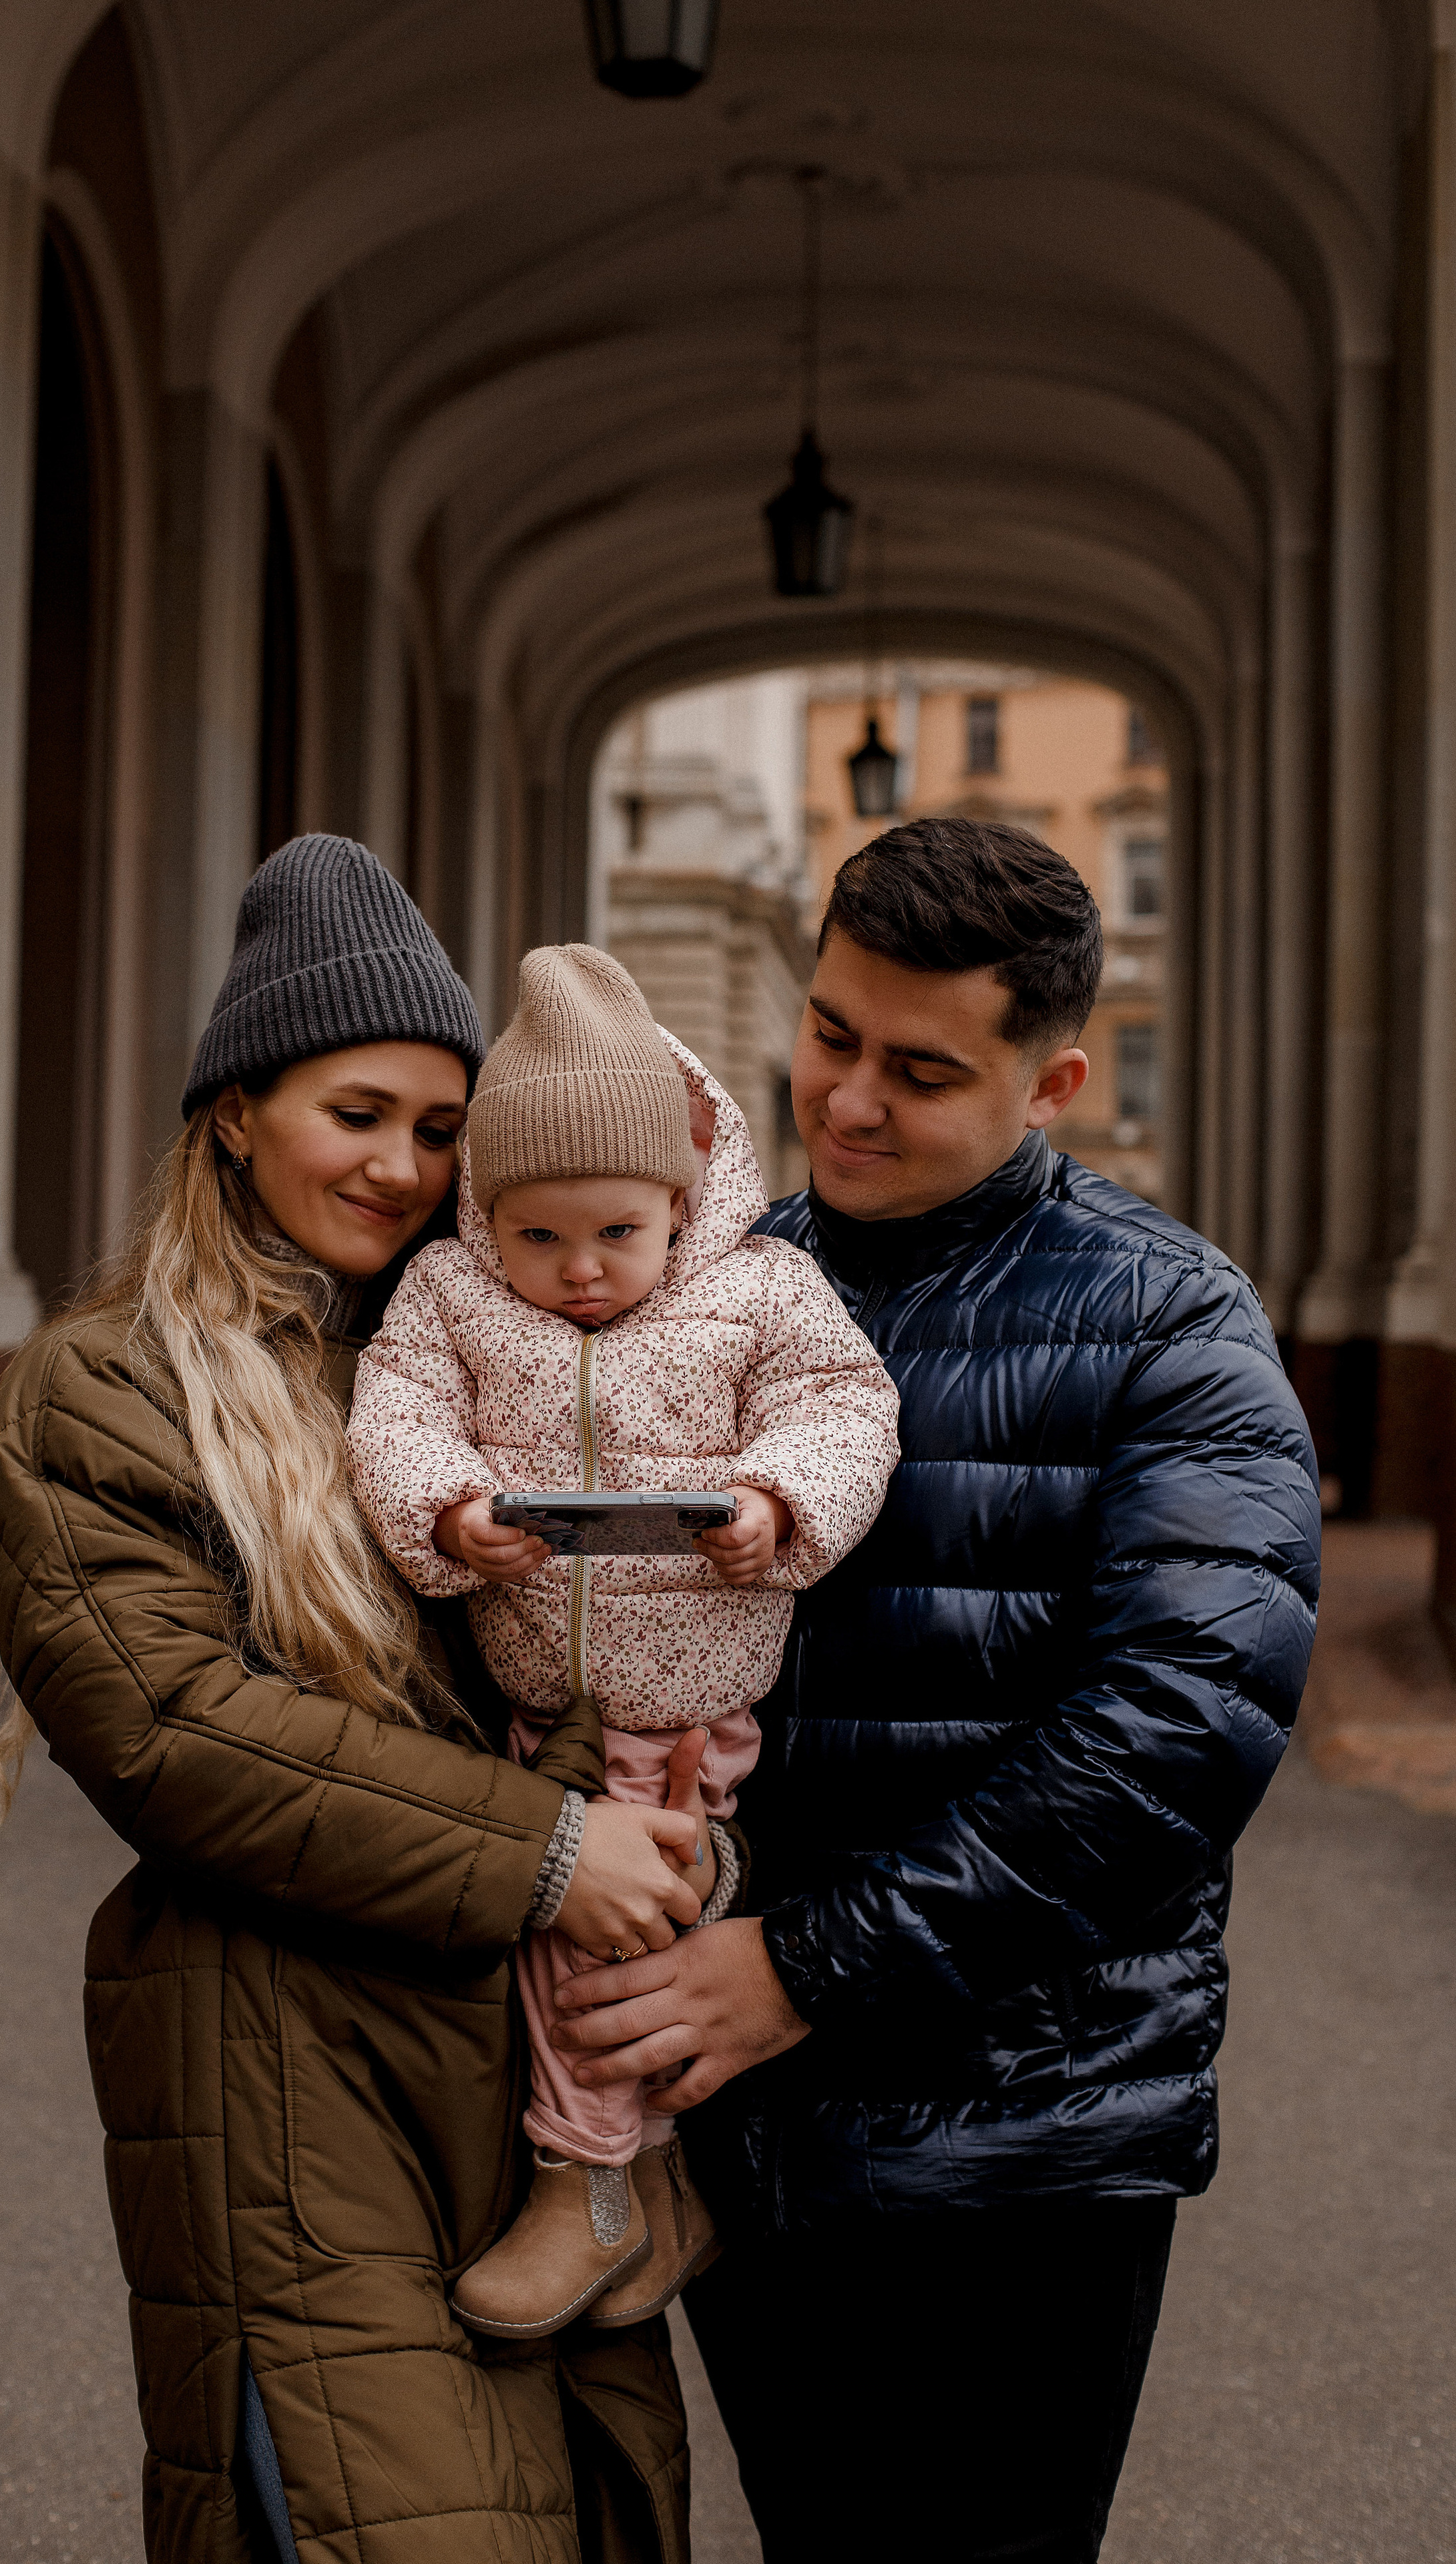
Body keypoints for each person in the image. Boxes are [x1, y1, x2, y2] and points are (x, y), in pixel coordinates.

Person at [549, 817, 1322, 2563]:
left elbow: (1177, 1739)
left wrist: (805, 1971)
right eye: (831, 1036)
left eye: (922, 1069)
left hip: (1028, 2143)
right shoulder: (702, 1292)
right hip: (743, 2129)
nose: (851, 1100)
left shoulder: (1169, 1324)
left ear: (1050, 1081)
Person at [0, 838, 708, 2564]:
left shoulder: (470, 1370)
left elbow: (597, 1657)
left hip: (518, 2080)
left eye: (440, 1132)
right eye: (355, 1112)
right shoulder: (102, 1392)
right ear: (234, 1110)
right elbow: (176, 1733)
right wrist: (548, 1851)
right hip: (287, 2083)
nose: (398, 1167)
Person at [346, 943, 898, 2342]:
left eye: (616, 1235)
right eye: (537, 1237)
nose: (578, 1273)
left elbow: (845, 1407)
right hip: (534, 1704)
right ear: (486, 1212)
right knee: (575, 1935)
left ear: (680, 1200)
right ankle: (651, 2189)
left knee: (593, 1948)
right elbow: (395, 1413)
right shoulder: (450, 1300)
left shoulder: (759, 1291)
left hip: (692, 1709)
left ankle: (581, 2183)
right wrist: (449, 1513)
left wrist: (776, 1503)